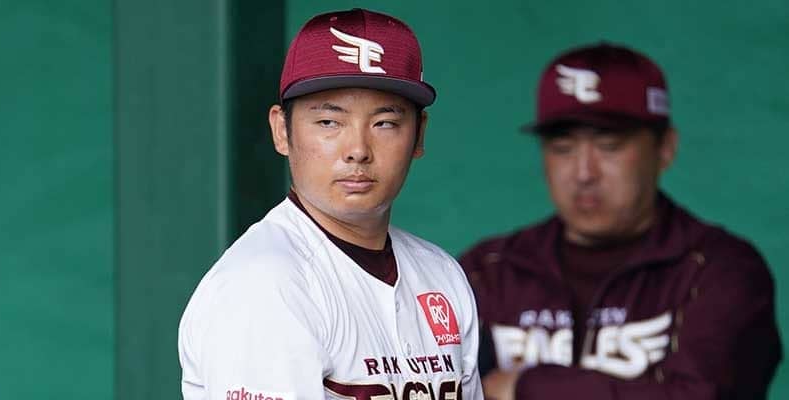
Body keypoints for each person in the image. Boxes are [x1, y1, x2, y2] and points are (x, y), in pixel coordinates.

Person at [178, 8, 482, 400]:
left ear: (418, 135)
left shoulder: (441, 274)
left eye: (385, 123)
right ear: (282, 130)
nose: (357, 149)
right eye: (329, 122)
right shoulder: (265, 284)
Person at [459, 43, 781, 400]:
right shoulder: (486, 271)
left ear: (665, 148)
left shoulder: (720, 269)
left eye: (609, 145)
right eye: (562, 148)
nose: (584, 173)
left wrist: (528, 387)